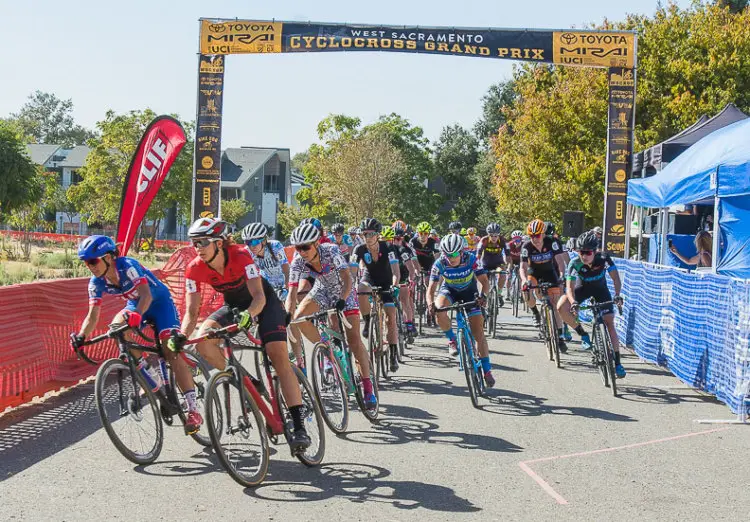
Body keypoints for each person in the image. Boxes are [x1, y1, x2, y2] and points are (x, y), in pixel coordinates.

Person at [180, 218, 311, 452]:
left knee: (277, 356)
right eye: (194, 242)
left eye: (202, 242)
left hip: (263, 302)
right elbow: (191, 311)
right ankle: (246, 381)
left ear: (219, 243)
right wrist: (181, 335)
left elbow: (259, 296)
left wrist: (250, 315)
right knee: (204, 342)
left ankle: (299, 426)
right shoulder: (194, 268)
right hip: (233, 306)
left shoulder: (241, 255)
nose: (197, 247)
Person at [70, 235, 203, 433]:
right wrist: (81, 336)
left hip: (159, 304)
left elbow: (146, 295)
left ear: (108, 258)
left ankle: (193, 408)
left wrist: (137, 315)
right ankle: (150, 374)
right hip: (135, 305)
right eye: (86, 263)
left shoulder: (127, 266)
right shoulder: (96, 282)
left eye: (93, 261)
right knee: (116, 329)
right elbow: (93, 315)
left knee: (169, 349)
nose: (90, 266)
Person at [285, 222, 378, 410]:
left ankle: (368, 388)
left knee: (353, 341)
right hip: (322, 289)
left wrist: (343, 299)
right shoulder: (298, 260)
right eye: (297, 248)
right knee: (298, 317)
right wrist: (287, 314)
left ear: (316, 243)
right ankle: (327, 348)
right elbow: (292, 292)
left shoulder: (331, 251)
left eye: (305, 247)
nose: (301, 252)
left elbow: (346, 278)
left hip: (344, 290)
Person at [427, 234, 494, 387]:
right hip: (450, 290)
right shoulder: (440, 263)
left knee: (478, 333)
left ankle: (487, 369)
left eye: (455, 254)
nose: (451, 257)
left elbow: (484, 281)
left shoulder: (471, 259)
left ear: (462, 251)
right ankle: (452, 340)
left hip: (470, 291)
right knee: (439, 309)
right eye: (448, 254)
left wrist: (483, 296)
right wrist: (430, 304)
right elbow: (431, 289)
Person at [557, 231, 626, 378]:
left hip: (601, 290)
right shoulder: (574, 263)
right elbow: (569, 287)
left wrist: (617, 295)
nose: (584, 256)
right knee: (561, 306)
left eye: (588, 252)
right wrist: (573, 302)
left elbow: (616, 279)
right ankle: (583, 334)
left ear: (595, 251)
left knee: (609, 322)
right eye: (581, 252)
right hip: (582, 289)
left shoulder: (604, 258)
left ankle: (618, 362)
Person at [352, 218, 401, 372]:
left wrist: (394, 285)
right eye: (364, 234)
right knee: (360, 289)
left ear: (377, 235)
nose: (368, 237)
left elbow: (396, 272)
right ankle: (367, 321)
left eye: (371, 234)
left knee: (390, 319)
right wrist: (350, 285)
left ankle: (393, 354)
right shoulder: (358, 250)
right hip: (370, 278)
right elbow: (352, 272)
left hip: (387, 281)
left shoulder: (388, 247)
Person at [520, 219, 569, 352]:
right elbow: (523, 267)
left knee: (555, 305)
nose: (534, 239)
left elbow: (560, 261)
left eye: (537, 235)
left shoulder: (552, 242)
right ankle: (535, 312)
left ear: (543, 234)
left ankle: (560, 336)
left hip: (549, 272)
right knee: (526, 289)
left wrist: (561, 275)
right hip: (533, 273)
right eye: (531, 236)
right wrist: (524, 280)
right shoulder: (526, 246)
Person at [242, 222, 289, 300]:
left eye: (254, 242)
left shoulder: (275, 246)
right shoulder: (247, 252)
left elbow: (286, 268)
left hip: (284, 283)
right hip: (267, 287)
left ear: (263, 241)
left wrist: (287, 286)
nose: (251, 246)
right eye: (248, 242)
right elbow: (250, 276)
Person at [390, 224, 419, 336]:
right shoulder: (388, 249)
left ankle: (409, 324)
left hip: (403, 276)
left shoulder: (405, 249)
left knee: (405, 299)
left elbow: (412, 268)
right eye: (394, 239)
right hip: (390, 276)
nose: (396, 241)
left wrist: (411, 280)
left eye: (398, 239)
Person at [476, 222, 508, 307]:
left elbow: (508, 256)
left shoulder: (503, 240)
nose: (494, 238)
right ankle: (482, 296)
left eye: (496, 236)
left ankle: (499, 293)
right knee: (483, 280)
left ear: (499, 235)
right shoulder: (483, 240)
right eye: (491, 235)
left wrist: (507, 266)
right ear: (488, 235)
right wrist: (476, 267)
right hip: (486, 264)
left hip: (498, 265)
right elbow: (478, 256)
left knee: (502, 274)